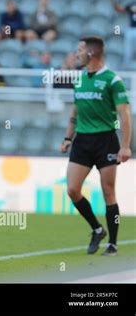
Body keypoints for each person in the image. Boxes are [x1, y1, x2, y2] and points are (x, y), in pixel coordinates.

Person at [61, 36, 132, 257]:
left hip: (106, 140)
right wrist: (67, 138)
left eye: (80, 50)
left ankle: (113, 243)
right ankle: (97, 228)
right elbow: (75, 111)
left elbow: (125, 115)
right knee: (72, 190)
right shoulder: (80, 79)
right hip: (82, 140)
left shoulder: (113, 80)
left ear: (91, 53)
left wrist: (126, 146)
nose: (76, 53)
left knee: (108, 192)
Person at [110, 0, 136, 67]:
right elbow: (119, 9)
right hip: (131, 29)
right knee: (127, 50)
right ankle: (126, 65)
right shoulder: (132, 4)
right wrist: (113, 1)